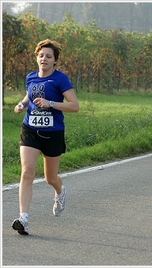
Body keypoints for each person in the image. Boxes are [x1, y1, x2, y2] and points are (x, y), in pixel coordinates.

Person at [12, 39, 80, 235]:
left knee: (51, 178)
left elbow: (74, 106)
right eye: (41, 55)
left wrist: (51, 103)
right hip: (30, 129)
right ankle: (23, 218)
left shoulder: (60, 79)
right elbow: (29, 96)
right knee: (27, 172)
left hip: (53, 133)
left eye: (48, 56)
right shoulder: (31, 77)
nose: (44, 59)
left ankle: (60, 192)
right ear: (37, 57)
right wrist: (22, 105)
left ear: (54, 61)